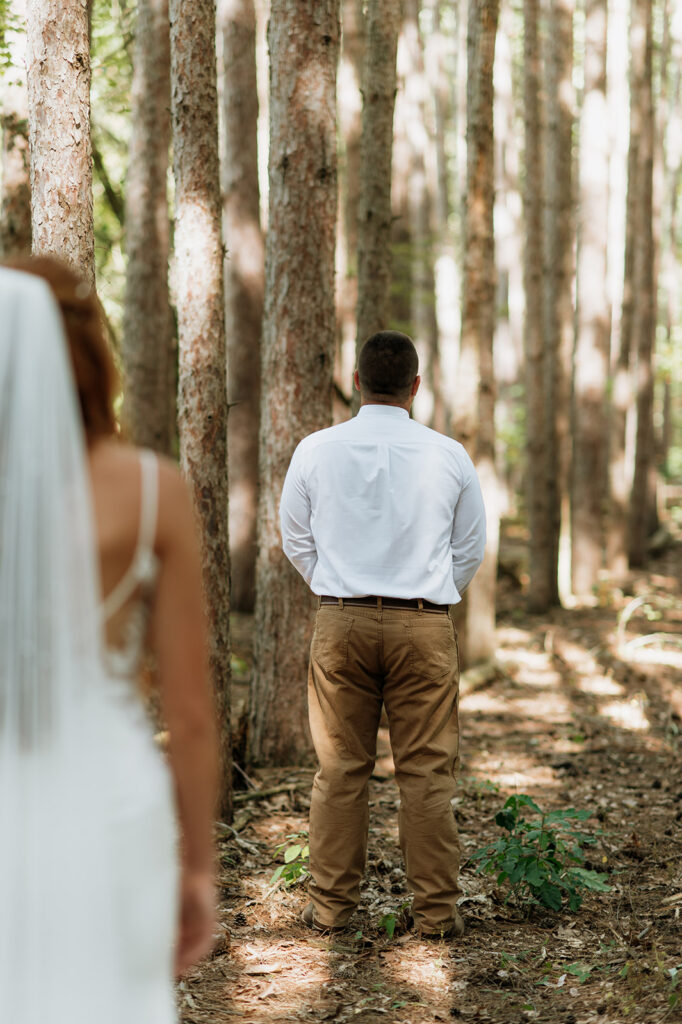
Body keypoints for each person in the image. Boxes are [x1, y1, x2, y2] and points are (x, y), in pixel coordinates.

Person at [0, 259, 217, 1024]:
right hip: (108, 796)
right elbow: (190, 715)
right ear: (94, 357)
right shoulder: (155, 489)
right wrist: (198, 869)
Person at [280, 330, 486, 939]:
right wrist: (426, 593)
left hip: (340, 621)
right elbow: (470, 547)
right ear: (416, 387)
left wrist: (339, 587)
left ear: (355, 381)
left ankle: (330, 910)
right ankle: (437, 916)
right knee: (426, 774)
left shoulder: (315, 449)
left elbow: (295, 537)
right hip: (423, 624)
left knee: (340, 770)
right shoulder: (450, 454)